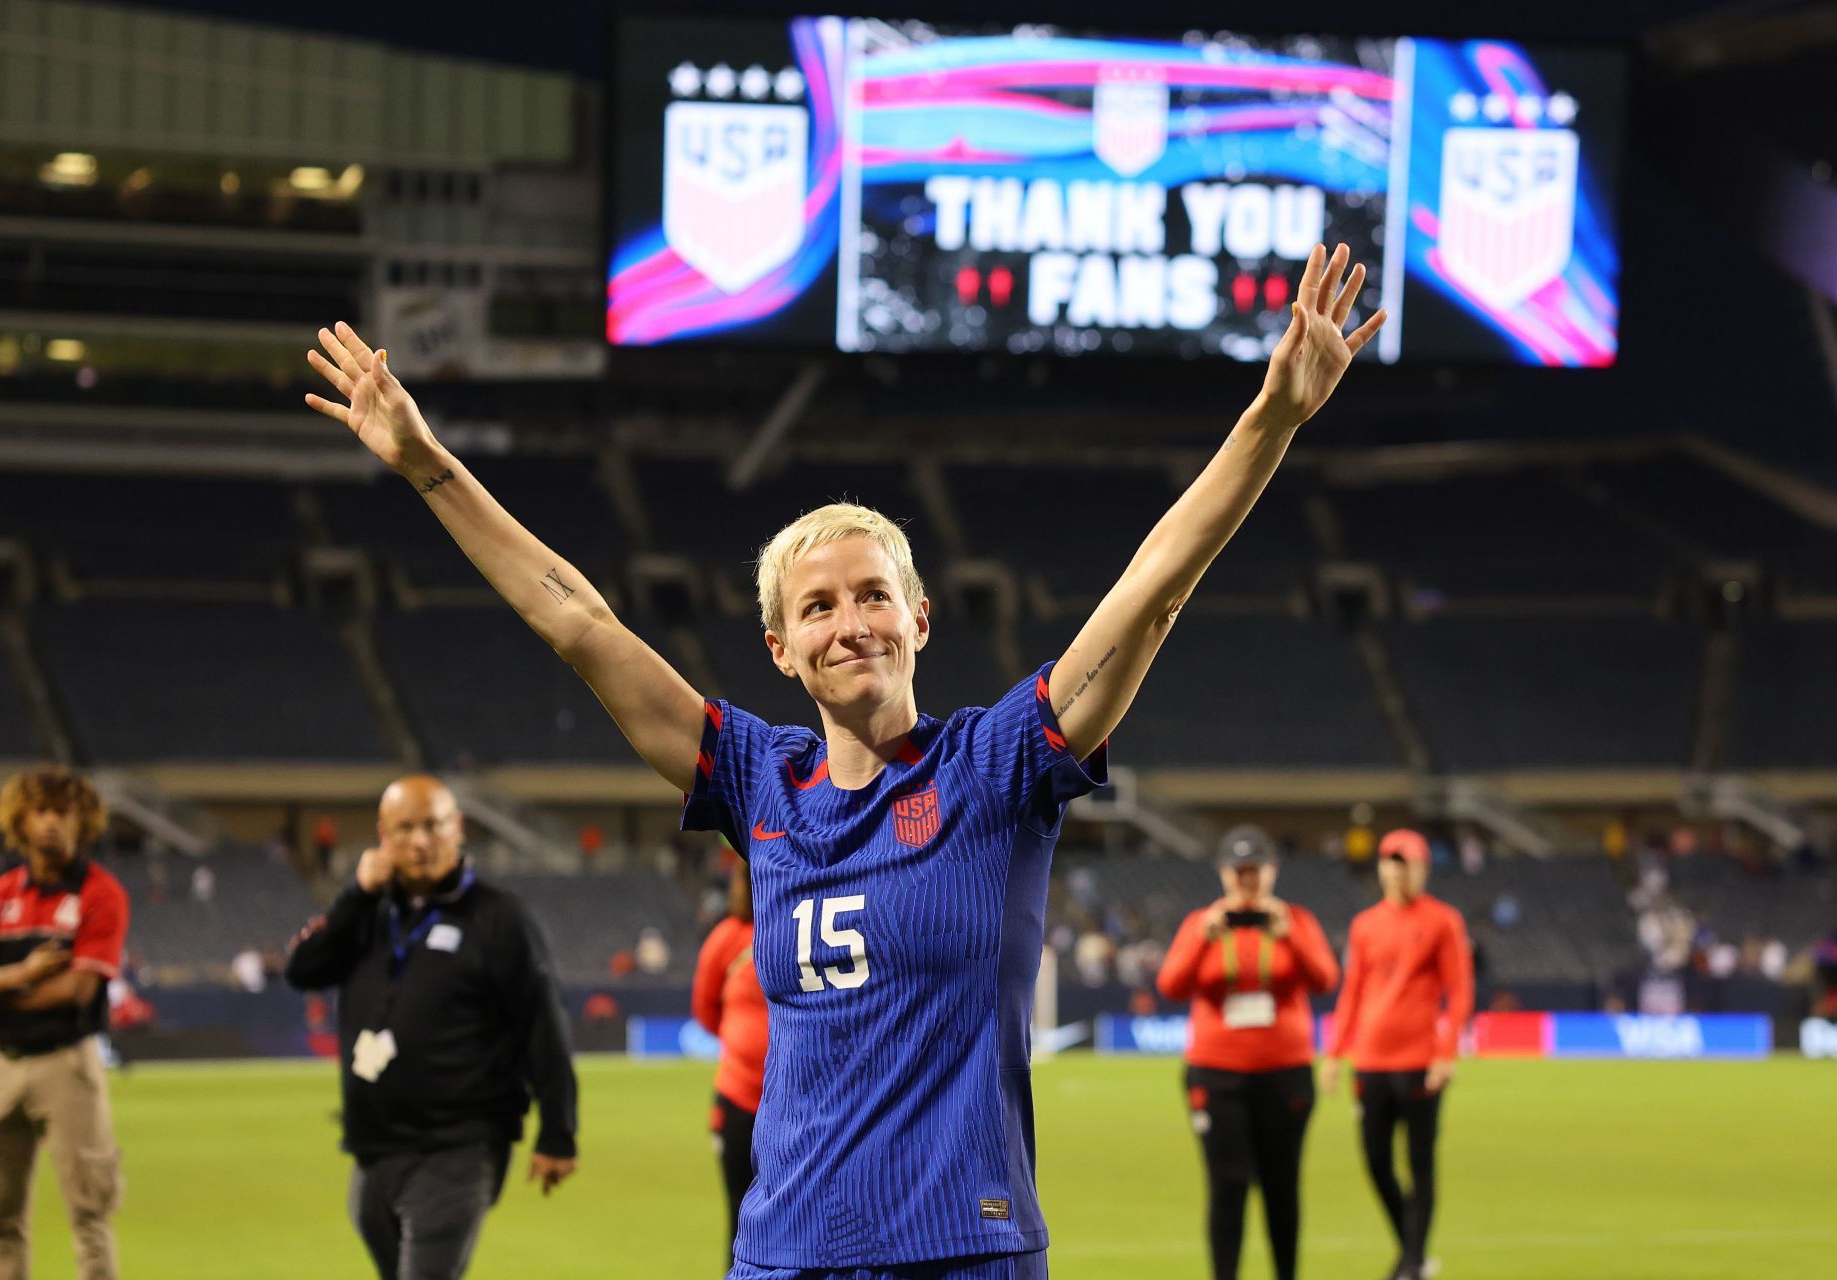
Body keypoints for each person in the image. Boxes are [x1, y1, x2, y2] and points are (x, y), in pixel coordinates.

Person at [303, 242, 1383, 1278]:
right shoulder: (754, 780)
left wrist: (1271, 417)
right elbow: (577, 621)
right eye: (816, 606)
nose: (850, 621)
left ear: (919, 618)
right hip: (785, 1249)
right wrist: (428, 466)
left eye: (874, 594)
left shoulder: (996, 765)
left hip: (968, 1244)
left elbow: (1153, 588)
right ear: (780, 647)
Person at [284, 775, 579, 1280]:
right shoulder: (366, 912)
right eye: (404, 829)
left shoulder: (499, 918)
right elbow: (302, 970)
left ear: (457, 828)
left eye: (433, 826)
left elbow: (542, 1024)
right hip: (373, 1149)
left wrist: (558, 1132)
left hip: (458, 1146)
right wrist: (355, 895)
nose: (420, 842)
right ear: (382, 834)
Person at [0, 767, 130, 1280]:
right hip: (1, 1065)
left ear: (81, 821)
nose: (51, 823)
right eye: (40, 811)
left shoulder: (100, 893)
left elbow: (76, 989)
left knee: (90, 1217)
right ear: (20, 822)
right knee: (0, 1220)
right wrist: (22, 974)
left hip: (67, 1064)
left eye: (63, 812)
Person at [1156, 826, 1338, 1280]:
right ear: (1223, 874)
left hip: (1285, 1072)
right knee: (1227, 1185)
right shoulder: (1203, 922)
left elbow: (1325, 980)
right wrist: (1204, 935)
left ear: (1271, 872)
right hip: (1217, 1074)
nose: (1246, 882)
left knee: (1282, 1186)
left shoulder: (1296, 920)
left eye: (1254, 872)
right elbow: (1171, 985)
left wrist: (1289, 933)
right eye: (1238, 873)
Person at [1320, 828, 1475, 1280]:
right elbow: (1352, 992)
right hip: (1370, 1061)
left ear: (1423, 868)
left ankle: (1409, 1264)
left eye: (1405, 862)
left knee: (1421, 1163)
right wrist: (1334, 1052)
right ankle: (1413, 1252)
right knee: (1375, 1162)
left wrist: (1447, 1053)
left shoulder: (1443, 921)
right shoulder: (1365, 925)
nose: (1397, 870)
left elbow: (1459, 991)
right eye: (1390, 861)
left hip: (1420, 1062)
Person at [693, 865, 770, 1257]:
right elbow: (706, 1011)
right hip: (739, 1101)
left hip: (801, 1106)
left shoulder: (799, 920)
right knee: (741, 1224)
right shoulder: (727, 938)